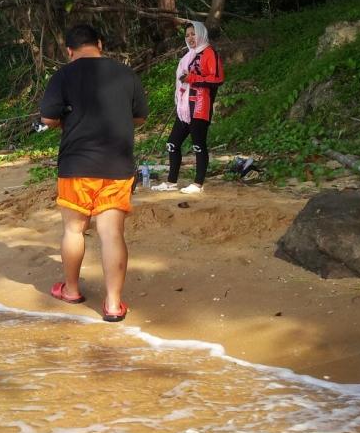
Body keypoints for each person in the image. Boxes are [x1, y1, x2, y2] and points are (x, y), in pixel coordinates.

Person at [38, 24, 148, 322]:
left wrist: (66, 122)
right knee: (111, 233)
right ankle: (113, 304)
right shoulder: (126, 73)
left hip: (76, 165)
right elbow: (138, 117)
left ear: (69, 51)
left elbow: (47, 118)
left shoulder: (63, 75)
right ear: (100, 44)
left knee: (74, 229)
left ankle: (71, 290)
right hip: (117, 165)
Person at [150, 20, 224, 194]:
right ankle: (171, 182)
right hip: (184, 108)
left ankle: (198, 184)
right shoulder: (188, 56)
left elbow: (217, 79)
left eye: (193, 34)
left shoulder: (209, 53)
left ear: (201, 34)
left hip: (199, 106)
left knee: (198, 145)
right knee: (172, 144)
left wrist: (192, 79)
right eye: (187, 35)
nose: (190, 38)